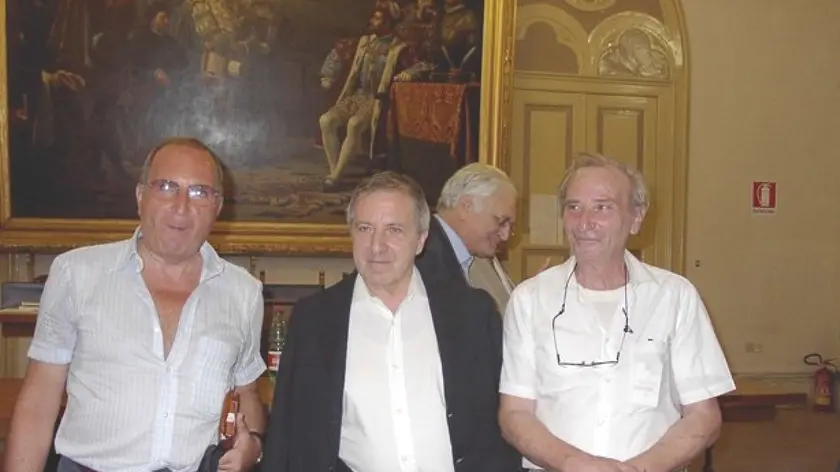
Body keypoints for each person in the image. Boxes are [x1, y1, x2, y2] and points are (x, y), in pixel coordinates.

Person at [4, 137, 267, 472]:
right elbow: (39, 400)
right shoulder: (76, 273)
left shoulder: (244, 292)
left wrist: (253, 444)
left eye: (200, 192)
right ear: (141, 196)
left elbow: (246, 392)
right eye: (167, 187)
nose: (181, 206)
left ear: (217, 206)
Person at [262, 171, 519, 472]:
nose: (377, 246)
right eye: (365, 228)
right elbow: (287, 433)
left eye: (394, 230)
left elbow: (501, 423)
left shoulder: (472, 313)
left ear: (421, 240)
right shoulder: (315, 320)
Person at [498, 152, 735, 472]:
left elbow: (703, 416)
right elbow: (515, 413)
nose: (584, 223)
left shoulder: (675, 297)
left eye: (603, 207)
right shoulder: (529, 299)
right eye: (573, 207)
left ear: (636, 218)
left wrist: (639, 469)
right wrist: (575, 464)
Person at [415, 163, 519, 314]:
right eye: (501, 221)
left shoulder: (473, 255)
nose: (505, 235)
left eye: (510, 226)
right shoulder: (422, 253)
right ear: (466, 207)